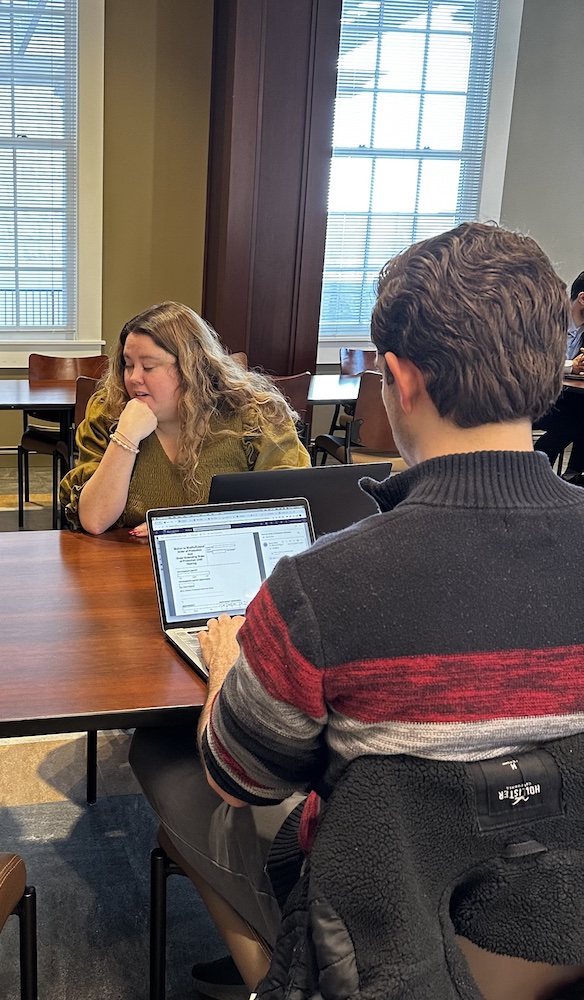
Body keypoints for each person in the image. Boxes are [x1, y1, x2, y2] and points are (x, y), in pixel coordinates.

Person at [188, 222, 584, 994]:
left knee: (172, 769)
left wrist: (224, 669)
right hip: (562, 926)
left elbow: (244, 778)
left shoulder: (319, 587)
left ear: (399, 379)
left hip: (382, 946)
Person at [59, 301, 310, 535]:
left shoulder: (252, 415)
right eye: (128, 365)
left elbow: (290, 509)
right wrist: (126, 438)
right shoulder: (109, 413)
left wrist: (185, 526)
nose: (133, 378)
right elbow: (94, 520)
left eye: (148, 367)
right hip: (126, 566)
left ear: (192, 369)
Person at [533, 269, 584, 482]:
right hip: (537, 397)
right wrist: (570, 365)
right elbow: (535, 363)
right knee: (574, 420)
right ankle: (552, 474)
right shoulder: (547, 321)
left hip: (569, 399)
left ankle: (570, 476)